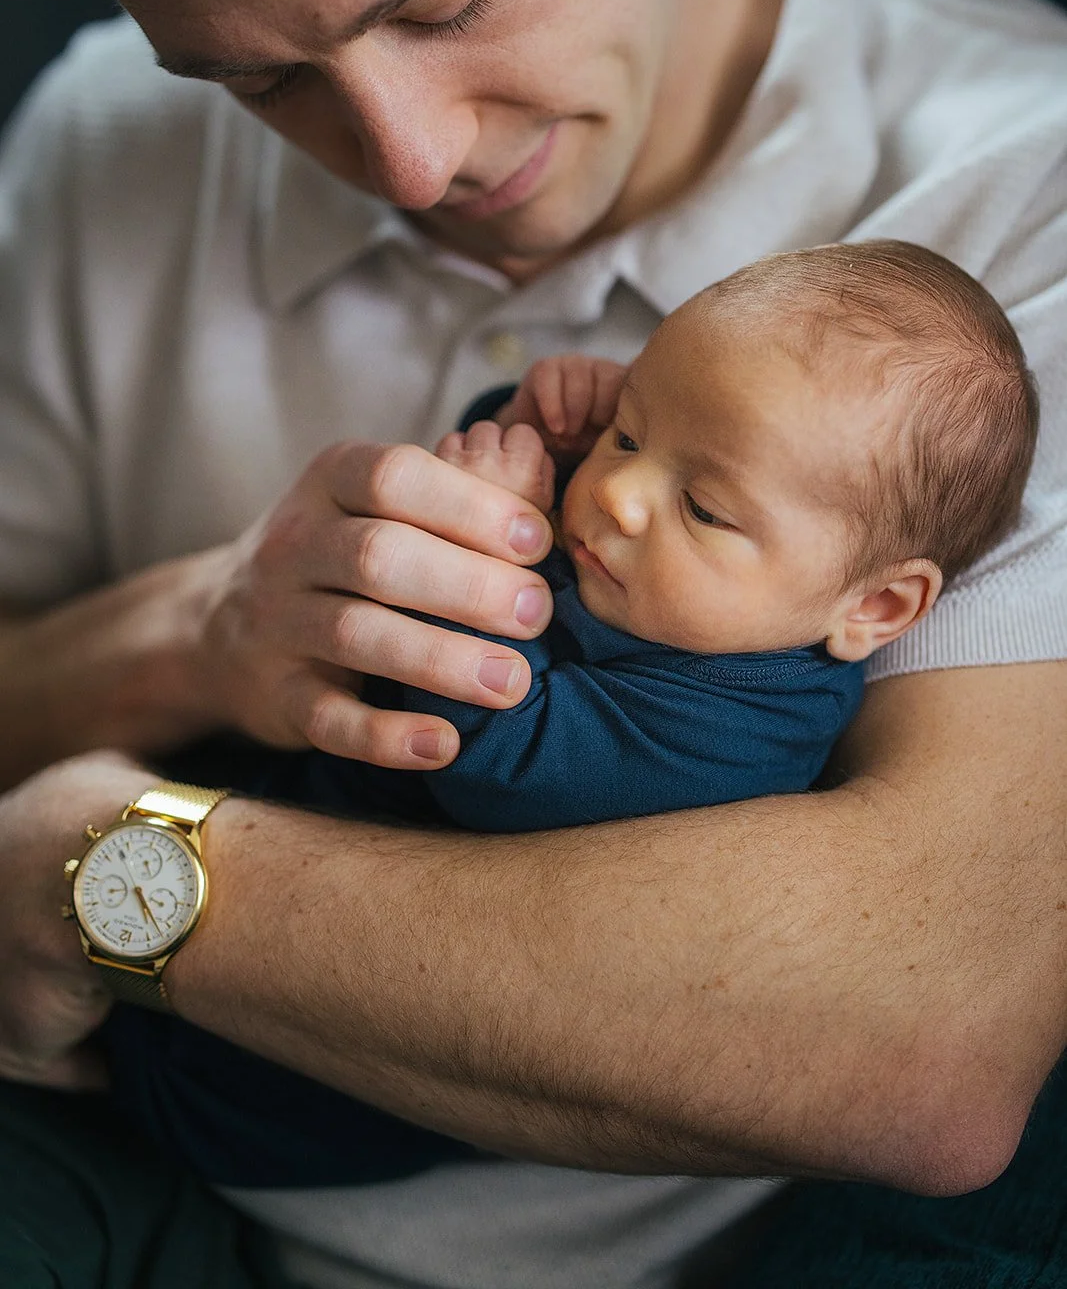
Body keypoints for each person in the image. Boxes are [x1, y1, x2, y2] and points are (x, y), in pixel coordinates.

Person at [0, 0, 1065, 1286]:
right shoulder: (100, 133)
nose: (412, 163)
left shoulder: (1024, 216)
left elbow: (917, 1040)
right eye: (259, 82)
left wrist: (105, 860)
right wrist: (195, 632)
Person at [102, 239, 1039, 1193]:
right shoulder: (652, 572)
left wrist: (483, 554)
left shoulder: (739, 731)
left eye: (705, 508)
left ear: (872, 609)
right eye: (629, 435)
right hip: (254, 797)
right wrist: (526, 438)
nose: (619, 496)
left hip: (269, 1079)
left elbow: (501, 763)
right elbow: (483, 515)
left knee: (129, 1071)